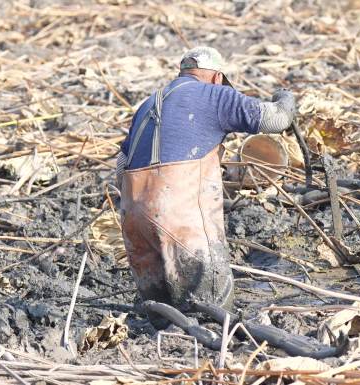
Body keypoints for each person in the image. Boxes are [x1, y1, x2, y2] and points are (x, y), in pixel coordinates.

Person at [116, 47, 296, 312]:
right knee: (210, 309)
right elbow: (275, 118)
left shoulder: (149, 103)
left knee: (158, 312)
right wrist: (286, 98)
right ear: (216, 77)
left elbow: (121, 165)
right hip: (178, 214)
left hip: (133, 214)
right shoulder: (214, 94)